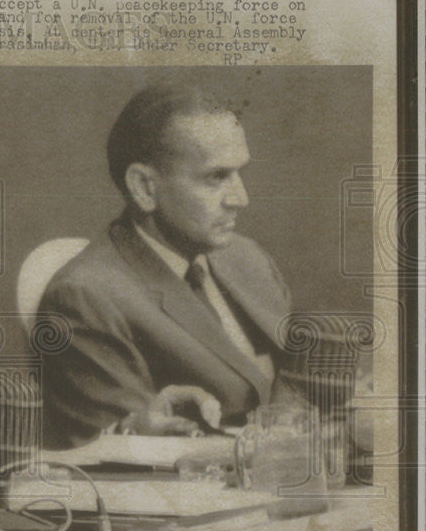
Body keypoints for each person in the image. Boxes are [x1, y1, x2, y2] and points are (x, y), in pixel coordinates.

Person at [40, 84, 292, 447]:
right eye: (216, 177)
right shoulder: (86, 298)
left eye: (239, 174)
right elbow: (128, 459)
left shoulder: (247, 257)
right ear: (144, 187)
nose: (241, 198)